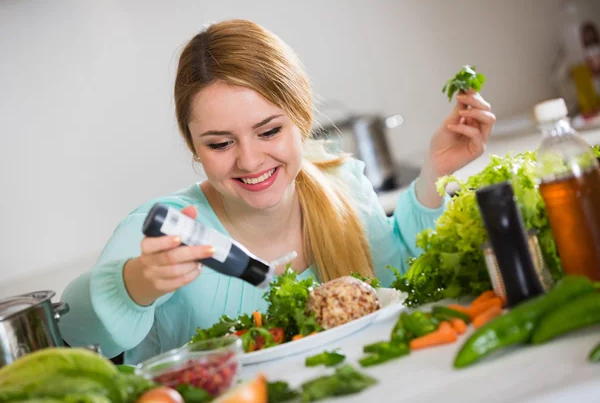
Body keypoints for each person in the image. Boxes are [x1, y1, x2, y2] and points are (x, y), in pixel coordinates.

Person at [59, 19, 496, 364]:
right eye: (220, 143)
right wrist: (135, 284)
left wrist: (433, 173)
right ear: (194, 145)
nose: (249, 161)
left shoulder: (342, 183)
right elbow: (76, 335)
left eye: (268, 130)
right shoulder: (165, 230)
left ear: (301, 117)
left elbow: (398, 280)